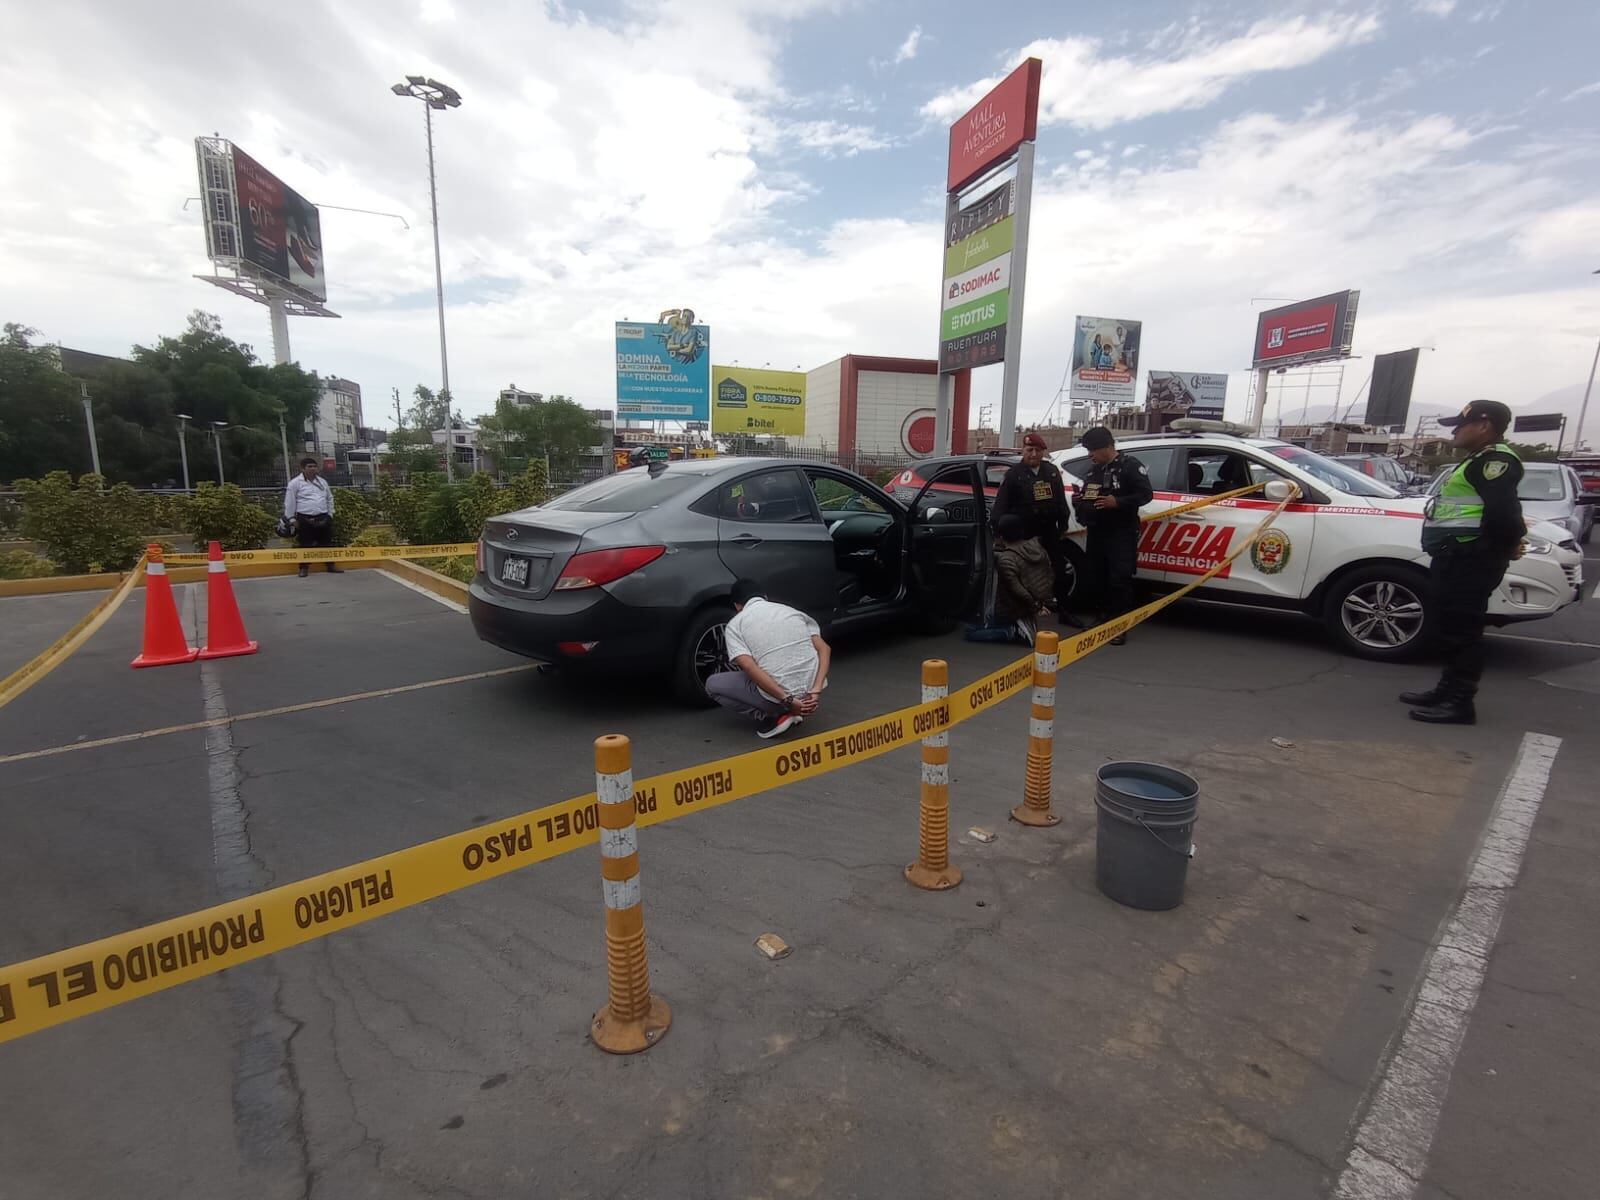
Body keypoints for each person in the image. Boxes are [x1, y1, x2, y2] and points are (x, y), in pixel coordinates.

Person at [1401, 400, 1524, 725]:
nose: (1455, 430)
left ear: (1484, 425)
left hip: (1471, 559)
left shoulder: (1495, 462)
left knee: (1463, 631)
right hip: (1458, 556)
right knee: (1450, 626)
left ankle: (1459, 702)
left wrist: (1509, 544)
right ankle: (1447, 690)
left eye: (1461, 424)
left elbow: (1504, 513)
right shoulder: (1479, 459)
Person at [706, 579, 830, 739]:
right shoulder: (791, 611)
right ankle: (792, 708)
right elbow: (824, 649)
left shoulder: (735, 624)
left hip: (784, 699)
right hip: (810, 695)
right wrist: (816, 690)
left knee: (712, 685)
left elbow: (749, 667)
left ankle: (774, 716)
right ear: (764, 596)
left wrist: (788, 700)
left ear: (737, 606)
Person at [1072, 427, 1152, 645]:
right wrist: (1080, 502)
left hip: (1121, 532)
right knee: (1098, 576)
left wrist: (1118, 502)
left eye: (1093, 450)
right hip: (1097, 531)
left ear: (1108, 446)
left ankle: (1119, 626)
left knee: (1119, 578)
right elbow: (1090, 495)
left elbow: (1146, 494)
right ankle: (1102, 618)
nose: (1090, 454)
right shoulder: (1094, 470)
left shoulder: (1130, 466)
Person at [991, 432, 1079, 623]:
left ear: (1043, 452)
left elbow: (1060, 500)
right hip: (1023, 533)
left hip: (1048, 530)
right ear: (1023, 450)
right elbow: (1001, 505)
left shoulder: (1051, 471)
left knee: (1059, 571)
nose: (1033, 454)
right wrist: (998, 532)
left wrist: (1063, 523)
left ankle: (1064, 611)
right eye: (1029, 450)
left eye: (1037, 450)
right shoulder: (1014, 475)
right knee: (1022, 574)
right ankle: (1019, 616)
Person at [992, 513, 1054, 643]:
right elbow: (1049, 575)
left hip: (1017, 610)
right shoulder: (1037, 547)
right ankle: (1025, 623)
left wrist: (1035, 607)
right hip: (1041, 601)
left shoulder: (1006, 559)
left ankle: (1013, 631)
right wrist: (1044, 602)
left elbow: (1017, 589)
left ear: (1001, 536)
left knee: (971, 630)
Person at [283, 458, 342, 578]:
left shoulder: (322, 482)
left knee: (327, 543)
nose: (313, 468)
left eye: (314, 466)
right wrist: (292, 519)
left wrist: (330, 514)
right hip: (304, 518)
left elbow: (329, 499)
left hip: (323, 517)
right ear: (302, 468)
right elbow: (289, 502)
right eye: (309, 466)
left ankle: (330, 565)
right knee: (305, 544)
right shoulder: (295, 483)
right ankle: (304, 568)